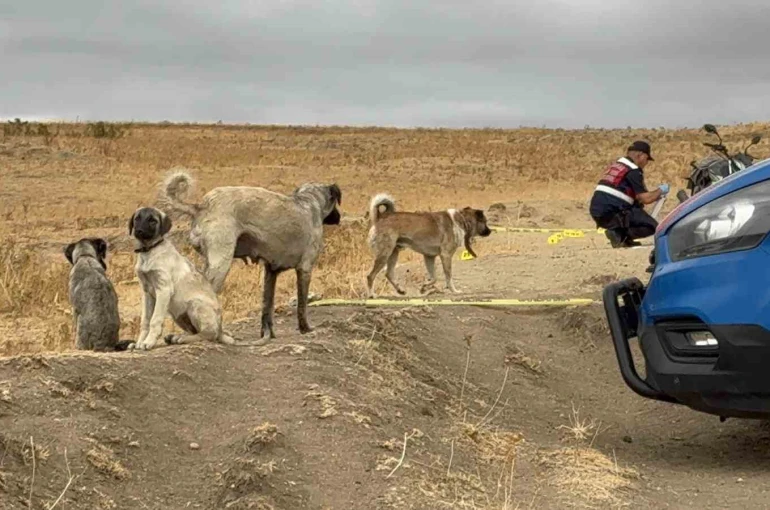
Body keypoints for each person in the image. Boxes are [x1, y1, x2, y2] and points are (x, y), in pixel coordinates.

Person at [589, 140, 669, 248]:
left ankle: (623, 238)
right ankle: (619, 235)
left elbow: (633, 196)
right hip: (612, 211)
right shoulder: (633, 170)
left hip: (598, 211)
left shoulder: (618, 165)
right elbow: (645, 199)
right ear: (640, 155)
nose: (646, 163)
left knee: (637, 207)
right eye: (646, 159)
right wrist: (661, 190)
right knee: (652, 226)